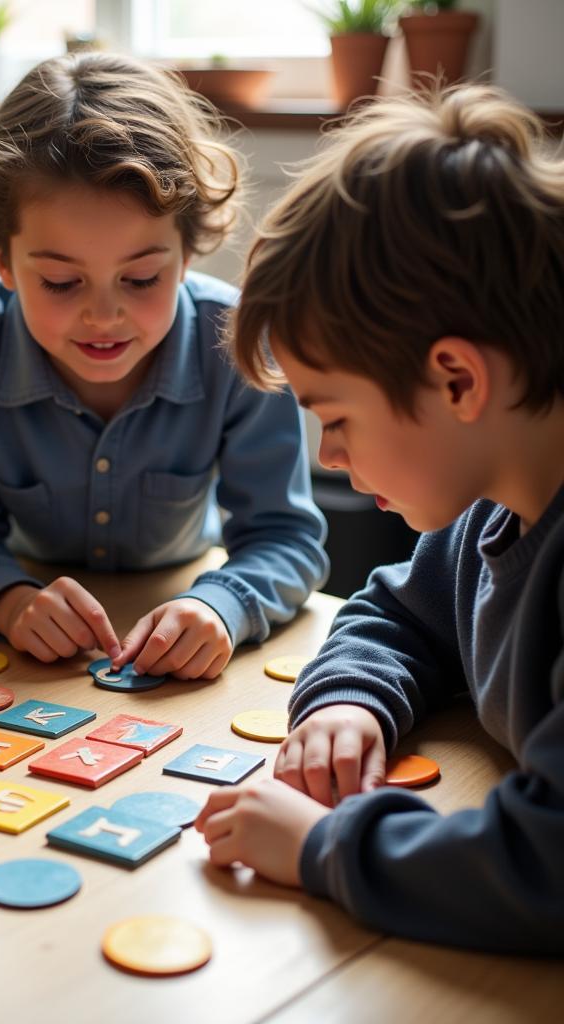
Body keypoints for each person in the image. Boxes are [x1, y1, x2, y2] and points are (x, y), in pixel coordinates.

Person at [195, 85, 564, 953]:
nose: (328, 457)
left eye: (336, 416)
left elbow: (548, 864)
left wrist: (325, 846)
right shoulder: (491, 511)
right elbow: (399, 612)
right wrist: (353, 699)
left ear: (458, 381)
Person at [0, 52, 328, 679]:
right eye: (58, 282)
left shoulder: (238, 343)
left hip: (184, 596)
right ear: (1, 260)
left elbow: (286, 537)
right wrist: (7, 599)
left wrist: (223, 604)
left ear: (187, 254)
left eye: (140, 278)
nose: (103, 317)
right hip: (27, 642)